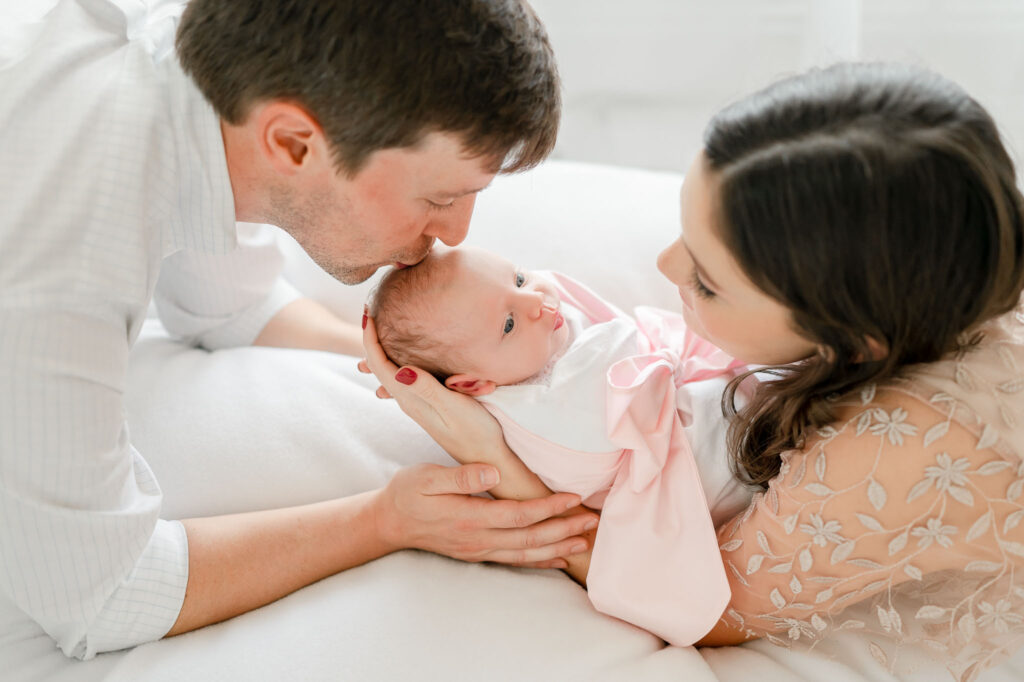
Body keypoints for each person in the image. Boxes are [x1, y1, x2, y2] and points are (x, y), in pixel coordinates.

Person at [362, 62, 1024, 678]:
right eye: (684, 228)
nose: (665, 268)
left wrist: (491, 454)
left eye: (706, 282)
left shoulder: (898, 443)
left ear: (852, 338)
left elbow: (710, 606)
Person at [0, 0, 601, 660]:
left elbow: (227, 307)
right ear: (291, 142)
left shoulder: (211, 78)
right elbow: (100, 596)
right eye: (438, 198)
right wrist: (387, 520)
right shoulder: (65, 247)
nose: (457, 233)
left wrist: (425, 377)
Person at [369, 245, 754, 645]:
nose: (536, 300)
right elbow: (594, 452)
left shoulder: (529, 344)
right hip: (706, 469)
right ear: (470, 385)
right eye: (507, 324)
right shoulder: (531, 414)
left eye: (518, 278)